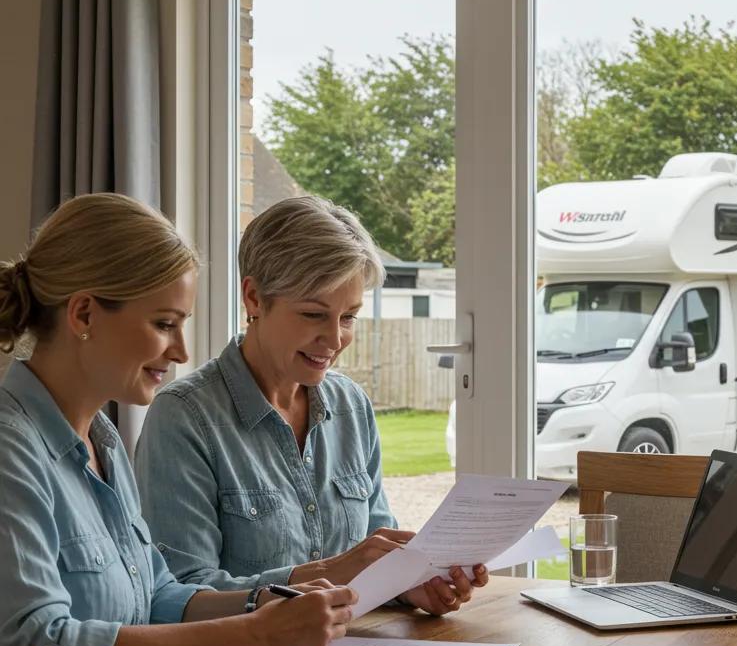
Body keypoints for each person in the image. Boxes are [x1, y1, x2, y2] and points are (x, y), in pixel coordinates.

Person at [0, 193, 356, 646]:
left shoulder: (102, 441)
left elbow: (157, 597)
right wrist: (255, 636)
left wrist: (269, 602)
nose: (182, 351)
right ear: (84, 314)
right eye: (165, 324)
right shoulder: (11, 450)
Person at [135, 195, 487, 614]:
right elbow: (179, 594)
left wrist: (409, 587)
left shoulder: (351, 405)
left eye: (348, 317)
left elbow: (376, 555)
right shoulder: (184, 417)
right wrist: (329, 572)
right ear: (254, 298)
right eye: (314, 315)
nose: (335, 339)